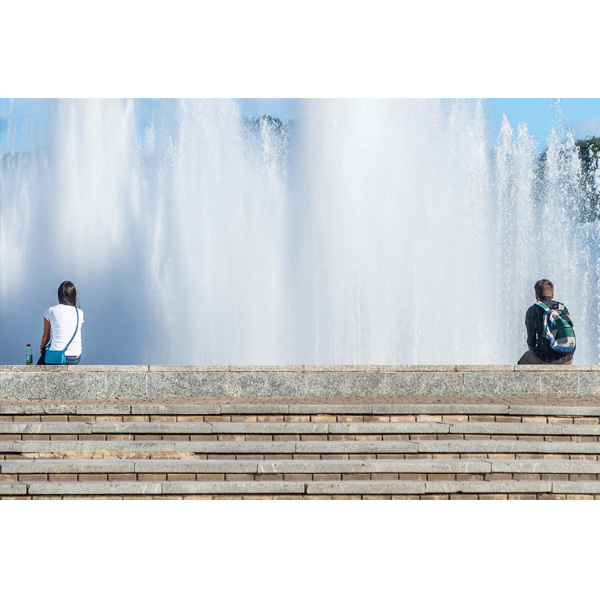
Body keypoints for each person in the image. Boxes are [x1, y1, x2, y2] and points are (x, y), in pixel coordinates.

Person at [517, 279, 575, 365]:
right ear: (552, 295)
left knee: (520, 366)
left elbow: (531, 342)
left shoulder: (533, 310)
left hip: (543, 357)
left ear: (536, 295)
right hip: (567, 358)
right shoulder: (563, 308)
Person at [37, 281, 84, 365]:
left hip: (56, 357)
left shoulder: (50, 311)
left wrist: (41, 348)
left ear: (59, 295)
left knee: (41, 363)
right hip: (75, 357)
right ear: (74, 295)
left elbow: (46, 337)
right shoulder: (79, 312)